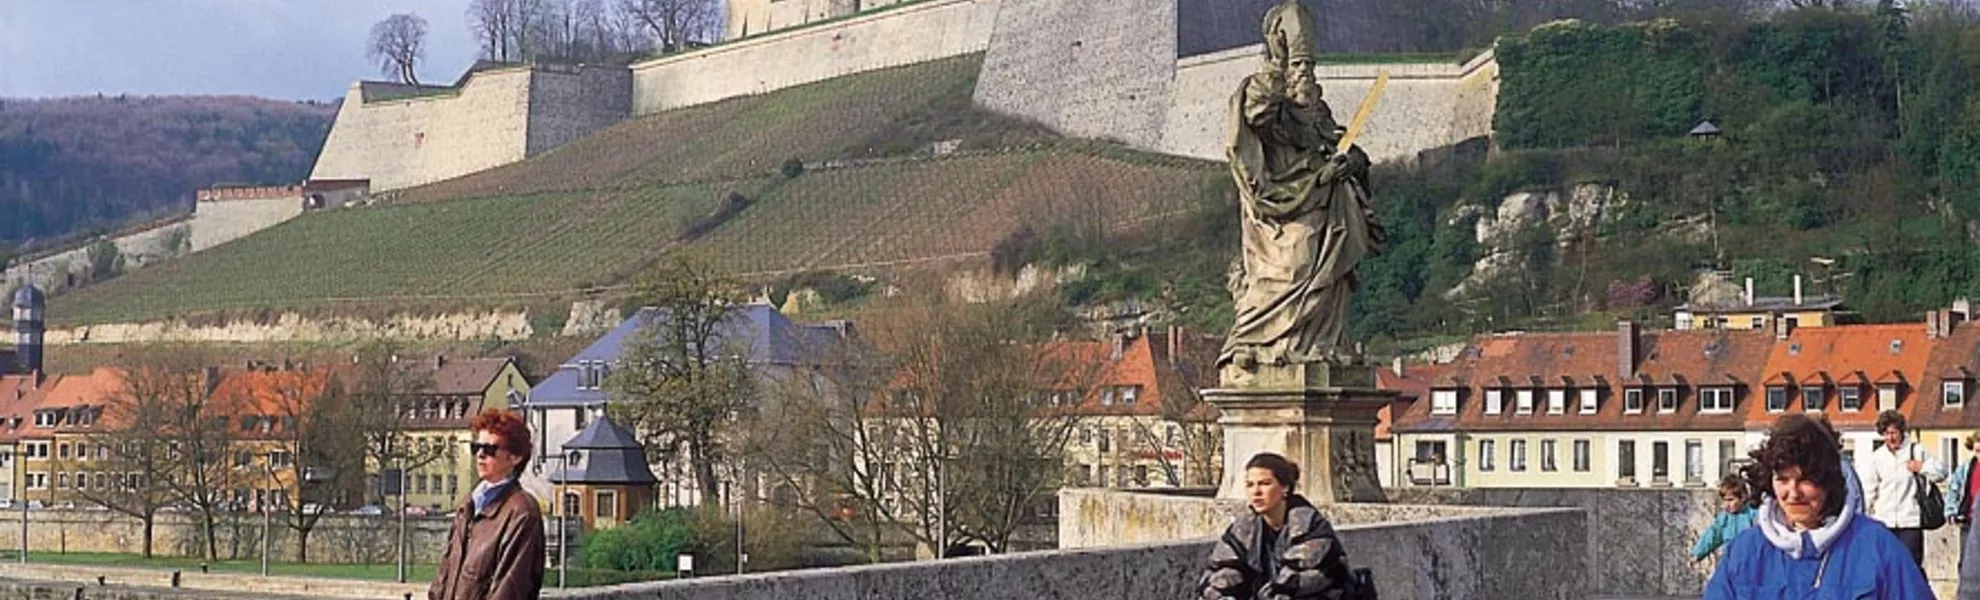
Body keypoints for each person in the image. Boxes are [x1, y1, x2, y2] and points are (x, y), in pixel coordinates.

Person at [1217, 0, 1386, 379]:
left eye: (1308, 67)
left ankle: (1322, 343)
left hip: (1325, 204)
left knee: (1330, 270)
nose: (1305, 73)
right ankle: (1259, 341)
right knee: (1295, 262)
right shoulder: (1263, 94)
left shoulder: (1318, 112)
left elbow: (1338, 144)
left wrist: (1351, 163)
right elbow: (1253, 117)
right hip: (1284, 207)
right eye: (1299, 65)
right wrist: (1279, 69)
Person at [1705, 414, 1931, 598]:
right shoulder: (1745, 550)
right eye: (1783, 479)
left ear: (1828, 481)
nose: (1793, 494)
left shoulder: (1877, 546)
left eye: (1805, 480)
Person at [1199, 453, 1359, 600]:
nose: (1256, 492)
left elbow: (1302, 581)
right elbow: (1219, 571)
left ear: (1285, 488)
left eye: (1265, 483)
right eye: (1250, 485)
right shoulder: (1243, 528)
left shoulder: (1311, 527)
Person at [430, 409, 546, 600]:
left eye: (490, 449)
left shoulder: (522, 512)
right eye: (477, 447)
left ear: (514, 458)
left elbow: (511, 589)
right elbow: (443, 577)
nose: (481, 455)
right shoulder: (468, 504)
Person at [1858, 410, 1947, 568]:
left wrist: (1922, 467)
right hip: (1884, 521)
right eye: (1886, 433)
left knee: (1910, 566)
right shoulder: (1877, 458)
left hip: (1910, 521)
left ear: (1901, 432)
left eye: (1894, 433)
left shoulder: (1917, 450)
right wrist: (1865, 518)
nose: (1890, 438)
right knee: (1885, 567)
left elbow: (1942, 472)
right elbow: (1869, 490)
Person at [1693, 472, 1758, 561]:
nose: (1727, 504)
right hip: (1729, 561)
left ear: (1743, 497)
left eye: (1731, 500)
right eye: (1725, 500)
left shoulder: (1753, 516)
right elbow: (1712, 535)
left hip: (1750, 561)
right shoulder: (1724, 519)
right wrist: (1698, 554)